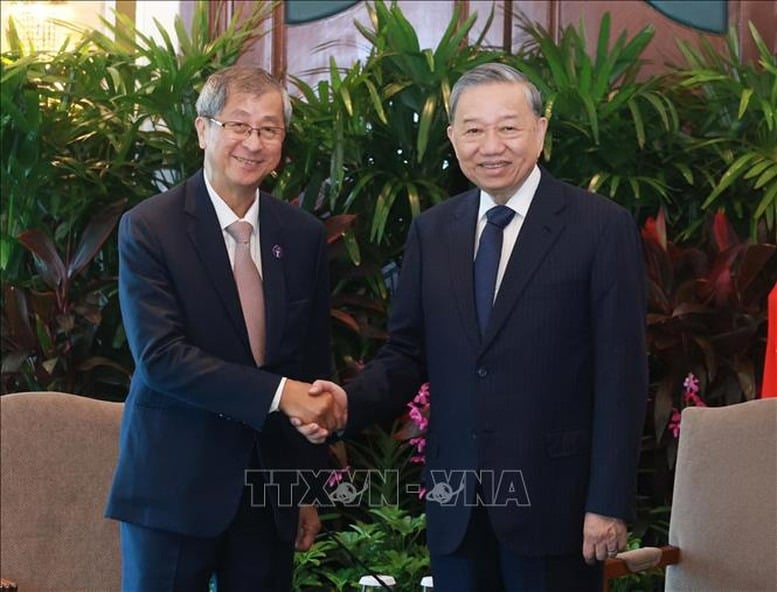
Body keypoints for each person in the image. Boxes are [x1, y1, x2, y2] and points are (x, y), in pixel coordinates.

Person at [297, 63, 648, 591]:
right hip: (455, 507)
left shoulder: (599, 226)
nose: (491, 145)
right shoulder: (434, 231)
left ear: (541, 130)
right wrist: (347, 403)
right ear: (452, 137)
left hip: (558, 507)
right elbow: (405, 354)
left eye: (508, 127)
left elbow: (622, 375)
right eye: (474, 129)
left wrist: (607, 503)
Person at [106, 65, 343, 591]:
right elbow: (162, 357)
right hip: (174, 484)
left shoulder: (301, 235)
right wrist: (281, 395)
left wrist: (304, 486)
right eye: (238, 125)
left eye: (269, 129)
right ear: (202, 130)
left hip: (267, 491)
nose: (252, 143)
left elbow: (310, 362)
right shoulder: (150, 227)